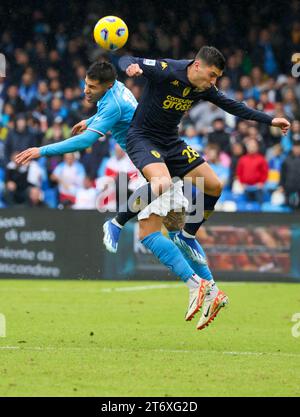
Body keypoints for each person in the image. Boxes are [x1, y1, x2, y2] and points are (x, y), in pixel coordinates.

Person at [16, 61, 217, 331]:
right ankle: (213, 291)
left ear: (107, 85)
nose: (86, 90)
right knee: (177, 232)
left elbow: (86, 142)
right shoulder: (119, 89)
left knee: (148, 234)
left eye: (92, 87)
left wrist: (42, 150)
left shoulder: (112, 103)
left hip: (151, 166)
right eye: (85, 84)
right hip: (162, 159)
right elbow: (125, 115)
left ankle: (197, 285)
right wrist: (90, 120)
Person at [103, 45, 290, 329]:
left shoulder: (204, 87)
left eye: (217, 77)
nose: (214, 82)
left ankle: (190, 236)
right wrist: (130, 67)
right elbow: (128, 59)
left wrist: (269, 120)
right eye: (212, 75)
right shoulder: (167, 70)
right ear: (197, 66)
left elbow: (234, 106)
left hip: (171, 143)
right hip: (143, 139)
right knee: (162, 184)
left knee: (214, 185)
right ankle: (116, 223)